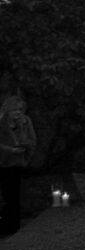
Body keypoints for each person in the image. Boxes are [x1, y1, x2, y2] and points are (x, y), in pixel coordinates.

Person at [0, 94, 37, 238]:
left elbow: (31, 140)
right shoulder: (2, 122)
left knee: (13, 195)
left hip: (16, 162)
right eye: (15, 110)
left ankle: (12, 226)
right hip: (3, 160)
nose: (18, 113)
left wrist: (24, 147)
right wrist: (10, 150)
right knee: (7, 194)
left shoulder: (25, 121)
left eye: (20, 110)